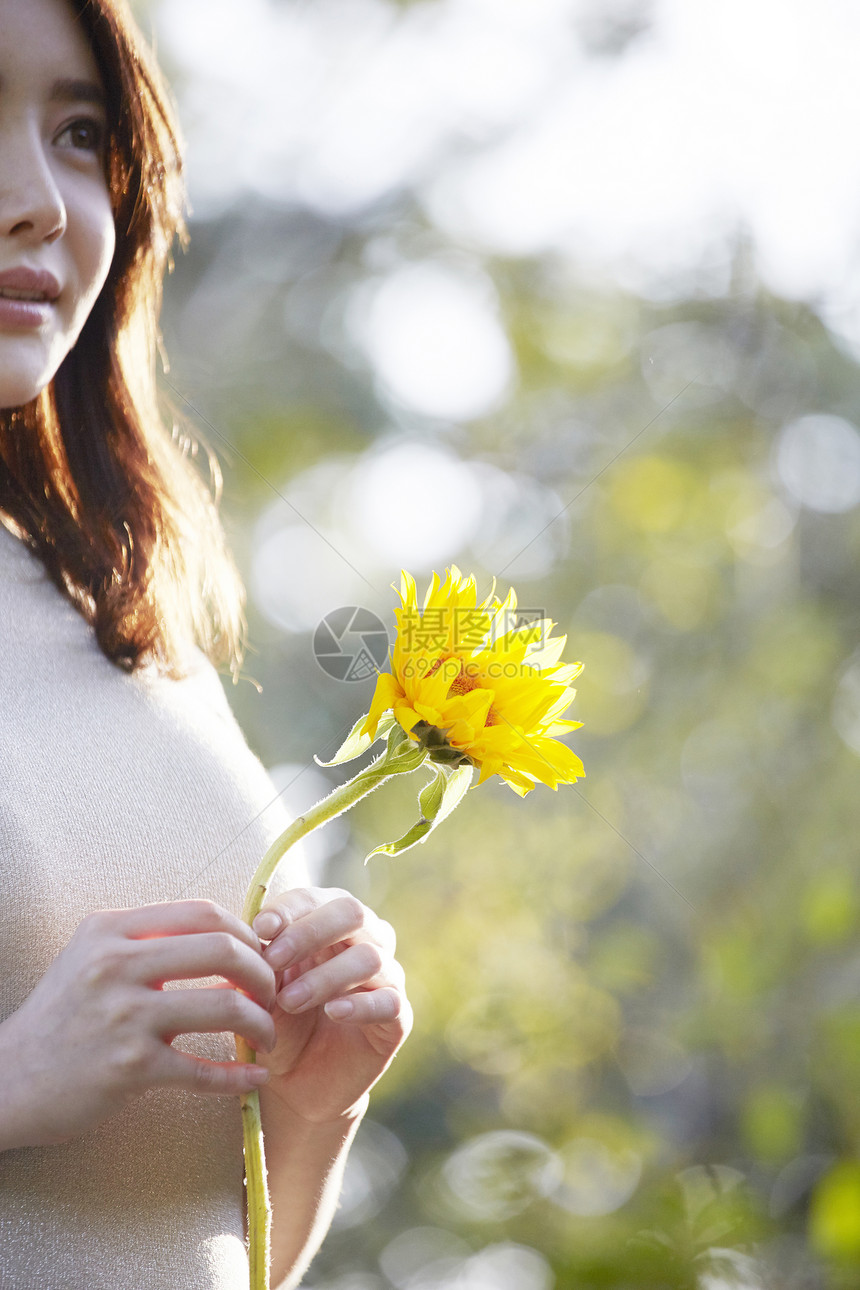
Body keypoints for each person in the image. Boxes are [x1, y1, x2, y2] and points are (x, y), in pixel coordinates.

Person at [0, 1, 412, 1286]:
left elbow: (223, 1250)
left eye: (79, 132)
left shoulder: (114, 619)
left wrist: (312, 1103)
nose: (42, 202)